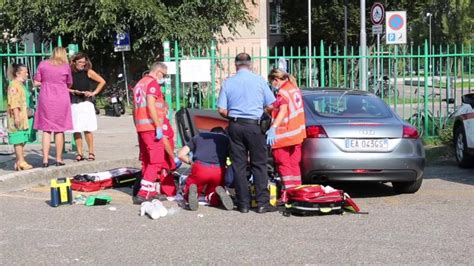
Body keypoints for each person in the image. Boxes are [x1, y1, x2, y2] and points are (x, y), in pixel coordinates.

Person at [217, 53, 277, 214]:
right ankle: (263, 203)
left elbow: (221, 110)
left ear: (235, 65)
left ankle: (243, 204)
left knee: (239, 165)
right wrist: (259, 111)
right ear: (250, 64)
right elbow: (272, 104)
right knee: (259, 164)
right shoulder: (259, 81)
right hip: (255, 126)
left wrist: (234, 115)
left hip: (235, 126)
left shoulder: (228, 83)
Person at [266, 68, 306, 202]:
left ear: (276, 80)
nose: (272, 85)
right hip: (297, 134)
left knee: (283, 164)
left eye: (272, 82)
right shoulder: (294, 89)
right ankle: (298, 192)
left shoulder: (282, 92)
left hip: (284, 135)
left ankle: (289, 194)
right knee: (294, 164)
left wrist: (273, 127)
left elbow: (283, 110)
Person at [132, 62, 168, 204]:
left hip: (141, 127)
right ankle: (144, 192)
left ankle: (151, 191)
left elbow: (135, 109)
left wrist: (137, 126)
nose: (163, 78)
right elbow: (151, 105)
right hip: (151, 127)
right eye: (164, 75)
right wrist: (158, 125)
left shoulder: (139, 84)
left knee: (147, 161)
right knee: (156, 160)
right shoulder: (152, 84)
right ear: (158, 72)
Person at [177, 127, 234, 211]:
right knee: (214, 189)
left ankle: (192, 193)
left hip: (200, 167)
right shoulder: (226, 139)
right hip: (218, 169)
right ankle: (215, 196)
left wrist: (191, 162)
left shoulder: (199, 136)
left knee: (193, 186)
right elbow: (235, 157)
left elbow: (180, 154)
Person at [33, 47, 73, 167]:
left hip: (46, 97)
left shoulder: (43, 64)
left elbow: (36, 80)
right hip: (61, 97)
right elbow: (69, 82)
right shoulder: (65, 66)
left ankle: (45, 159)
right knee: (59, 129)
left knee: (46, 129)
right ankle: (58, 159)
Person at [69, 52, 106, 162]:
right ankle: (79, 153)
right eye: (80, 62)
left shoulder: (88, 72)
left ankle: (91, 152)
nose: (82, 64)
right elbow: (65, 87)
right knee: (76, 129)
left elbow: (102, 81)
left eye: (84, 62)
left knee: (87, 128)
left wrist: (94, 93)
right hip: (74, 101)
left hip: (86, 102)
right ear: (74, 62)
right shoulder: (70, 73)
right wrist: (73, 91)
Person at [6, 63, 34, 171]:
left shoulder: (21, 85)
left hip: (24, 116)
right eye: (25, 72)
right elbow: (14, 103)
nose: (27, 74)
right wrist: (17, 116)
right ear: (18, 73)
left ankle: (19, 161)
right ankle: (21, 161)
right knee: (18, 138)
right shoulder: (14, 85)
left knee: (22, 138)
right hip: (17, 116)